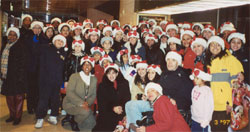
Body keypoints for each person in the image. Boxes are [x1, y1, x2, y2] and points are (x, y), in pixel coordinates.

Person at [204, 36, 244, 131]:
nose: (215, 47)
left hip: (225, 105)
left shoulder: (230, 59)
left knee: (221, 128)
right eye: (212, 45)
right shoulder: (208, 61)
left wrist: (231, 103)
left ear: (222, 47)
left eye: (218, 45)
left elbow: (237, 83)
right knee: (213, 128)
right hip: (211, 104)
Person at [35, 34, 67, 128]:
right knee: (43, 100)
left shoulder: (63, 53)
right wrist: (41, 79)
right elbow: (41, 66)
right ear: (54, 41)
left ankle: (53, 116)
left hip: (57, 81)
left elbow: (63, 68)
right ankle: (40, 118)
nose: (60, 42)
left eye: (62, 42)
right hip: (45, 80)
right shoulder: (46, 49)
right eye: (58, 40)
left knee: (55, 99)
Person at [0, 27, 27, 125]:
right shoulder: (5, 46)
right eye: (10, 34)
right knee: (9, 97)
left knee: (18, 97)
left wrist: (21, 77)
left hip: (17, 76)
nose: (12, 36)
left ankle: (17, 117)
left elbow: (23, 63)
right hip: (6, 76)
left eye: (14, 35)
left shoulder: (20, 46)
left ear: (17, 36)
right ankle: (11, 115)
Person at [62, 56, 97, 131]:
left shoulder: (94, 79)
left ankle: (75, 116)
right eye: (85, 64)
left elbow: (93, 95)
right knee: (86, 112)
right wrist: (81, 103)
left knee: (92, 123)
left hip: (85, 104)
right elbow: (69, 92)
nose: (87, 66)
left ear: (92, 67)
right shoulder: (74, 76)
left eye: (89, 64)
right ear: (82, 66)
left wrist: (87, 103)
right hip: (71, 103)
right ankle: (74, 121)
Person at [93, 63, 131, 131]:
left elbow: (127, 99)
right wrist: (113, 108)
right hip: (107, 113)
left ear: (117, 73)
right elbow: (102, 104)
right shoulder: (102, 86)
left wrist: (123, 110)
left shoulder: (124, 83)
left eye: (113, 73)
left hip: (122, 112)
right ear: (106, 74)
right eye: (109, 73)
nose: (111, 76)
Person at [159, 51, 194, 125]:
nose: (170, 62)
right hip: (163, 104)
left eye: (173, 60)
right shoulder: (164, 74)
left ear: (178, 63)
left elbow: (187, 97)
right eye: (168, 59)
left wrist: (175, 101)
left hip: (177, 106)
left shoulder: (184, 76)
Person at [25, 21, 45, 114]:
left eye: (39, 28)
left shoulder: (43, 39)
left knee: (39, 89)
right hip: (30, 68)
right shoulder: (27, 39)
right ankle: (30, 107)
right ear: (32, 29)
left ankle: (37, 106)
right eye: (35, 28)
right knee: (30, 89)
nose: (37, 29)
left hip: (40, 68)